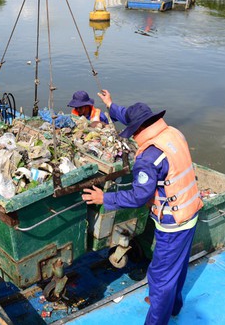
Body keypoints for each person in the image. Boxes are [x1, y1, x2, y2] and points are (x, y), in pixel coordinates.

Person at [82, 89, 203, 325]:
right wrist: (110, 104)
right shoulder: (172, 133)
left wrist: (103, 199)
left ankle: (157, 317)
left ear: (138, 130)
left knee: (160, 277)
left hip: (173, 222)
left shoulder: (149, 157)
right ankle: (173, 306)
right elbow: (128, 114)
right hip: (191, 211)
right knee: (178, 267)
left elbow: (138, 197)